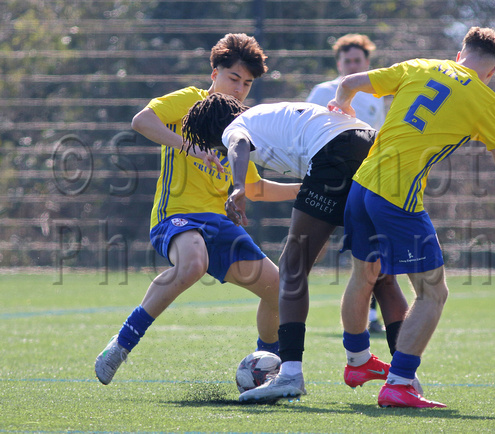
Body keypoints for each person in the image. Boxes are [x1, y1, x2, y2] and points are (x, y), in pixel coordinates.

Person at [328, 26, 495, 408]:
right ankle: (400, 382)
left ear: (460, 53)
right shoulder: (484, 97)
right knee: (434, 292)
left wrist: (342, 102)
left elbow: (351, 81)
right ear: (492, 71)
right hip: (397, 196)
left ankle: (356, 361)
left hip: (363, 185)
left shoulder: (421, 65)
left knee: (363, 275)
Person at [94, 33, 301, 385]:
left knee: (278, 290)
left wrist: (307, 188)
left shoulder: (241, 129)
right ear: (214, 74)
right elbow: (142, 121)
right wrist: (187, 146)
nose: (239, 88)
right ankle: (123, 343)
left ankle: (270, 369)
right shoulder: (191, 101)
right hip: (177, 217)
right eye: (233, 78)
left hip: (220, 225)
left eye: (247, 83)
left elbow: (254, 188)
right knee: (193, 262)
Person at [179, 93, 410, 403]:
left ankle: (289, 374)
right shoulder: (268, 114)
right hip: (376, 148)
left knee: (292, 266)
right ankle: (402, 379)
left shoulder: (235, 127)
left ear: (210, 133)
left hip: (336, 150)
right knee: (378, 272)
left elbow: (237, 142)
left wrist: (237, 187)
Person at [308, 33, 389, 335]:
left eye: (358, 60)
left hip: (366, 181)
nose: (353, 64)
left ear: (366, 63)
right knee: (309, 247)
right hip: (327, 181)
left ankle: (368, 316)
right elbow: (306, 131)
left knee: (370, 247)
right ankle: (286, 303)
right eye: (348, 60)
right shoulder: (321, 92)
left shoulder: (376, 95)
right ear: (338, 63)